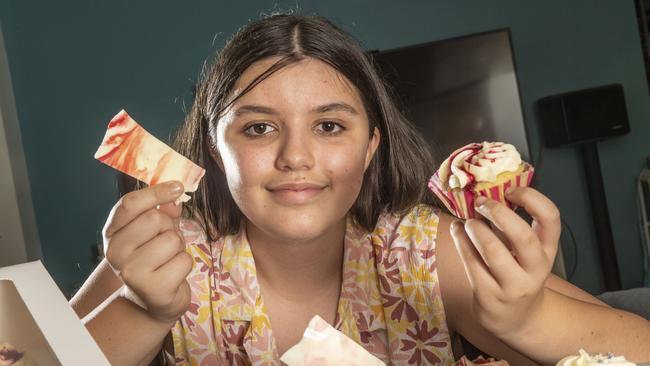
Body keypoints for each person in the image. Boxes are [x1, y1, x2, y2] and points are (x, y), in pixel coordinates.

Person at [70, 14, 650, 366]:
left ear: (371, 146)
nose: (296, 157)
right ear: (215, 152)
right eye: (257, 127)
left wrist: (526, 320)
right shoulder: (166, 255)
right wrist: (142, 311)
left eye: (329, 126)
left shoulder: (424, 252)